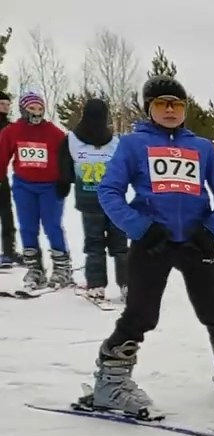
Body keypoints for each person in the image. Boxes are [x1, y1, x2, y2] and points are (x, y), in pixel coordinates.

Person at [87, 75, 214, 414]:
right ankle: (110, 382)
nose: (171, 109)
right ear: (149, 108)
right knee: (140, 315)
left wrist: (211, 232)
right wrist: (142, 229)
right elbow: (109, 191)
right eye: (162, 103)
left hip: (195, 244)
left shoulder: (202, 148)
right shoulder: (133, 145)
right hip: (153, 244)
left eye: (177, 103)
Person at [57, 97, 127, 301]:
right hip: (107, 202)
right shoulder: (112, 141)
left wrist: (63, 183)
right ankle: (121, 284)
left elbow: (65, 168)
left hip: (99, 201)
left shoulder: (73, 139)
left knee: (97, 244)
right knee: (116, 245)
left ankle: (102, 285)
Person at [0, 89, 70, 288]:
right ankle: (35, 269)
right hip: (24, 186)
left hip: (50, 187)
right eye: (32, 108)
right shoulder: (12, 131)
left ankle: (62, 268)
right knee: (27, 227)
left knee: (52, 226)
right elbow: (2, 156)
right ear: (23, 109)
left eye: (40, 108)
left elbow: (66, 157)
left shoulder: (53, 132)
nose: (37, 112)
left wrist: (65, 179)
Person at [0, 91, 16, 267]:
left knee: (6, 215)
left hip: (2, 176)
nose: (5, 106)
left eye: (7, 104)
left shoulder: (10, 127)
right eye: (2, 103)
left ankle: (8, 251)